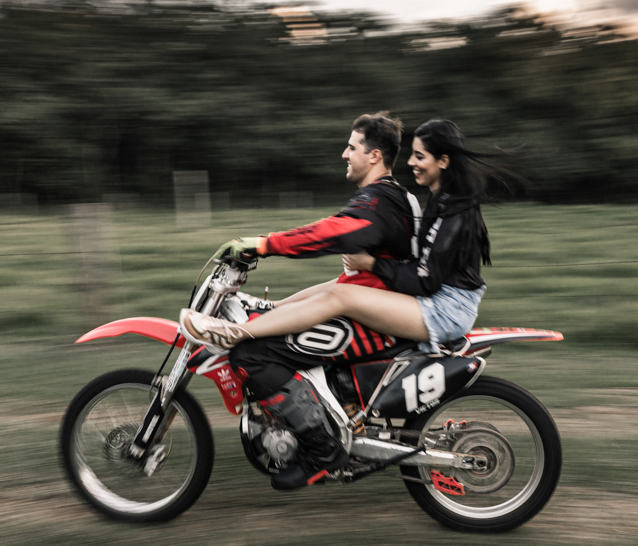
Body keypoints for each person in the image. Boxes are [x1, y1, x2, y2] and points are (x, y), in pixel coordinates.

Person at [180, 118, 502, 489]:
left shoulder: (391, 201)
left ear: (374, 155)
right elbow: (391, 266)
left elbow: (337, 235)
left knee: (271, 340)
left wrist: (266, 244)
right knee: (335, 290)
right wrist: (281, 306)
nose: (344, 153)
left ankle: (320, 447)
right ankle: (286, 361)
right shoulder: (425, 199)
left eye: (352, 147)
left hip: (439, 308)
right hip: (413, 300)